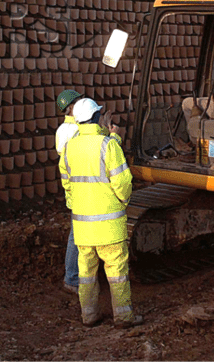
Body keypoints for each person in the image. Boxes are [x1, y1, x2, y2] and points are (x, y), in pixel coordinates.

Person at [60, 97, 143, 328]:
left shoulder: (69, 148)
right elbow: (123, 181)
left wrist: (78, 207)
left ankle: (89, 316)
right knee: (116, 273)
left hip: (83, 228)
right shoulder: (108, 146)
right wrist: (122, 201)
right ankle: (124, 317)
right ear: (97, 118)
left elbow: (67, 185)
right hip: (109, 227)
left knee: (86, 275)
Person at [55, 89, 83, 294]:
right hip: (82, 190)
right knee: (77, 235)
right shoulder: (73, 132)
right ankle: (72, 278)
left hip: (77, 190)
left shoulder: (63, 130)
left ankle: (76, 276)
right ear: (72, 108)